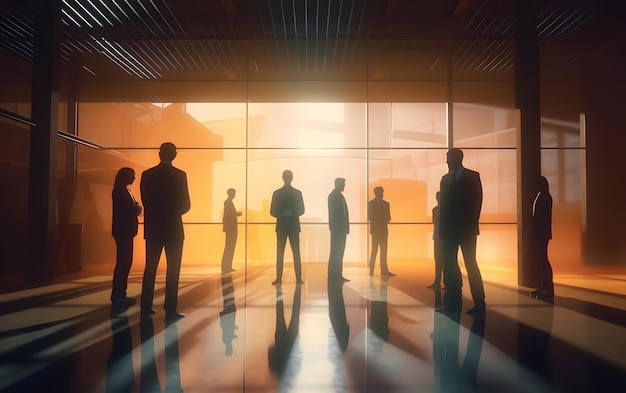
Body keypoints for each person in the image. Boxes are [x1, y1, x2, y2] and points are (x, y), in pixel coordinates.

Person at [140, 142, 191, 322]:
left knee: (150, 268)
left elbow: (146, 202)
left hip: (153, 228)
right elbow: (186, 205)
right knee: (173, 269)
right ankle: (170, 309)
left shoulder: (147, 175)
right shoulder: (180, 175)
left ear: (159, 154)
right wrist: (171, 211)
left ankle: (145, 307)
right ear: (174, 155)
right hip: (173, 228)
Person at [437, 148, 486, 315]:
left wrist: (470, 227)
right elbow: (443, 209)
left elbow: (476, 204)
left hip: (466, 232)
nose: (446, 162)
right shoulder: (444, 180)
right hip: (448, 232)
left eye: (448, 158)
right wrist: (441, 232)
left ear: (457, 159)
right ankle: (453, 303)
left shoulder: (472, 177)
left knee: (471, 265)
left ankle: (480, 303)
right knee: (450, 266)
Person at [110, 167, 141, 306]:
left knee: (125, 261)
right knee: (124, 262)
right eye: (132, 176)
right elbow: (132, 209)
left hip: (124, 231)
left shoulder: (123, 190)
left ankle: (120, 293)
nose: (134, 178)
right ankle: (118, 294)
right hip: (123, 231)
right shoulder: (121, 192)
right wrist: (138, 208)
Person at [270, 170, 305, 285]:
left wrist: (283, 212)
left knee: (280, 253)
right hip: (293, 226)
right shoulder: (297, 193)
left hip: (282, 226)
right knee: (295, 252)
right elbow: (301, 210)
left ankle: (279, 278)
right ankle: (298, 278)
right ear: (292, 178)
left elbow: (273, 211)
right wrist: (291, 212)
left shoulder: (277, 193)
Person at [529, 176, 554, 299]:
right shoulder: (544, 196)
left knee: (543, 260)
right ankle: (544, 287)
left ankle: (548, 289)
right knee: (542, 260)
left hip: (541, 233)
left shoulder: (544, 197)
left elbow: (540, 217)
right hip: (541, 233)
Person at [368, 186, 394, 276]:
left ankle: (384, 270)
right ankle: (371, 270)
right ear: (376, 193)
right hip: (376, 230)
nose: (382, 193)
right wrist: (382, 221)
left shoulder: (386, 204)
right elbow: (369, 217)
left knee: (384, 250)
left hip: (383, 230)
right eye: (381, 192)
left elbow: (389, 217)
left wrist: (384, 221)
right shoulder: (370, 204)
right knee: (374, 250)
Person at [327, 178, 350, 282]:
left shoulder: (338, 196)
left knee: (339, 251)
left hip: (340, 229)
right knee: (336, 251)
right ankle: (334, 274)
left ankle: (336, 273)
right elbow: (335, 215)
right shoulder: (334, 196)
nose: (344, 186)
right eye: (343, 184)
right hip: (337, 229)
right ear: (338, 184)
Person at [221, 188, 242, 274]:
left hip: (230, 227)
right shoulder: (228, 203)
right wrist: (237, 214)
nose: (234, 195)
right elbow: (229, 215)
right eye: (233, 193)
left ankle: (228, 266)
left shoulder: (228, 202)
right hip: (231, 228)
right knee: (229, 246)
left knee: (230, 247)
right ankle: (226, 266)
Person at [427, 191, 444, 289]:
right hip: (437, 237)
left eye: (439, 197)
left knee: (445, 261)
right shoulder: (435, 209)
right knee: (437, 259)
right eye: (436, 196)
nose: (437, 198)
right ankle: (437, 282)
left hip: (443, 238)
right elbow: (434, 223)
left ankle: (446, 283)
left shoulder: (446, 210)